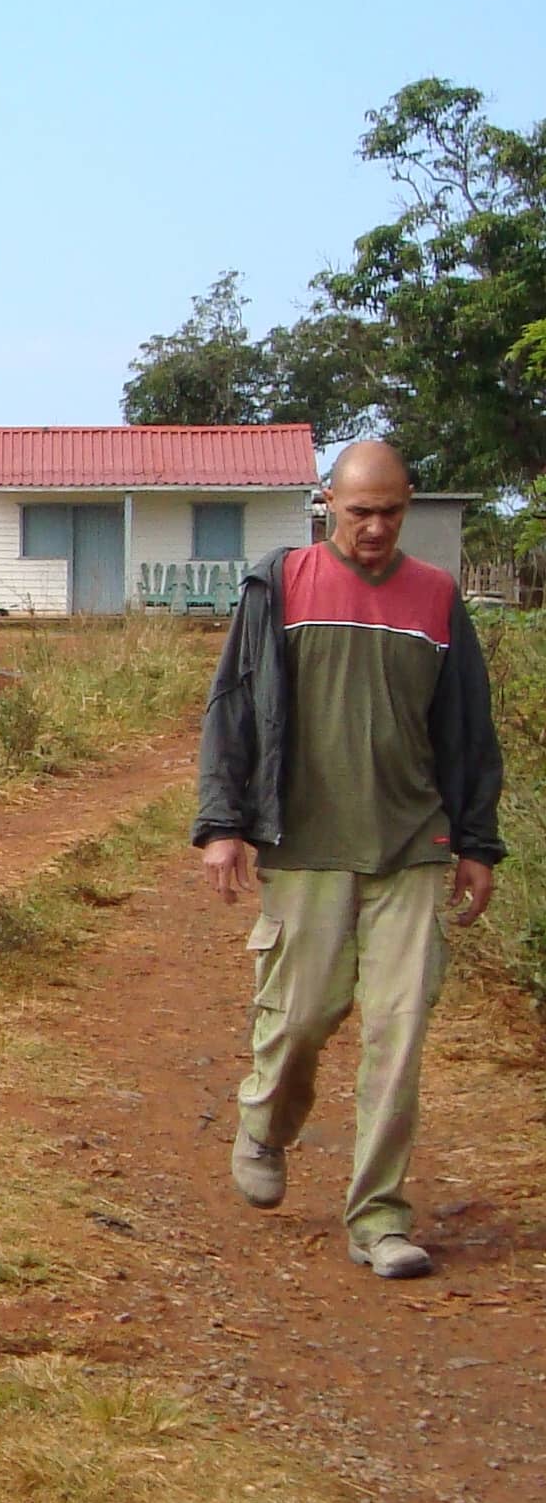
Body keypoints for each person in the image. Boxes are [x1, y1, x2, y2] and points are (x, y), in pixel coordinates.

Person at [192, 439, 504, 1279]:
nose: (377, 527)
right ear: (327, 501)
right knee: (299, 1020)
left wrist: (475, 842)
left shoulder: (437, 599)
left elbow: (468, 731)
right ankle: (265, 1121)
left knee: (398, 1037)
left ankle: (380, 1218)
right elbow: (234, 707)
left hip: (413, 846)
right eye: (361, 510)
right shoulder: (282, 583)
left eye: (393, 511)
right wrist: (224, 823)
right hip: (306, 845)